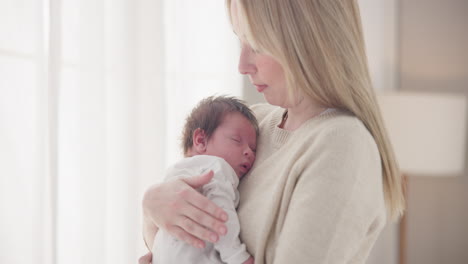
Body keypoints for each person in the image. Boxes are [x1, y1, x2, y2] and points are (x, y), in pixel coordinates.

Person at [140, 0, 406, 263]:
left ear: (307, 41)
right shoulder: (252, 124)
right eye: (239, 40)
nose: (242, 66)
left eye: (256, 44)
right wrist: (151, 207)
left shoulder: (342, 145)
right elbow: (180, 246)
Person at [144, 96, 258, 264]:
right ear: (201, 140)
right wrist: (236, 256)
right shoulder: (215, 166)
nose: (249, 152)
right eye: (236, 140)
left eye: (253, 148)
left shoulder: (176, 173)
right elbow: (219, 211)